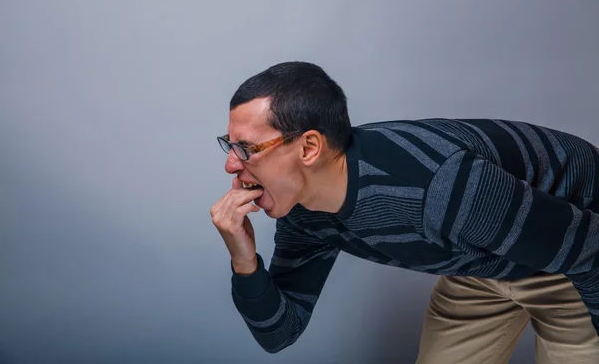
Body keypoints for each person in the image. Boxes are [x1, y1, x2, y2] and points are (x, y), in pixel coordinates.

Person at [210, 61, 599, 363]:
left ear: (310, 147)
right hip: (479, 262)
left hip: (569, 259)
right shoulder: (304, 214)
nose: (230, 165)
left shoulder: (438, 188)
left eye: (247, 149)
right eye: (229, 145)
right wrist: (244, 260)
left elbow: (591, 251)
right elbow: (280, 334)